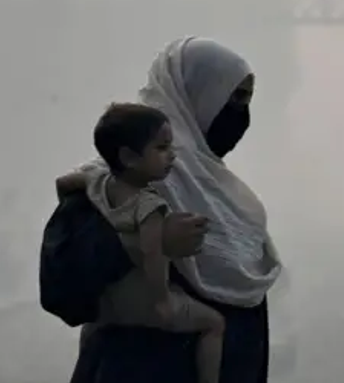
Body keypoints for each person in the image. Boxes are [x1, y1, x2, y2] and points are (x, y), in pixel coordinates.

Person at [61, 36, 282, 383]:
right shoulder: (118, 179)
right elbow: (64, 276)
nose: (241, 114)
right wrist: (150, 243)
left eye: (247, 100)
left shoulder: (220, 191)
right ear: (196, 94)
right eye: (233, 97)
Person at [85, 102, 226, 383]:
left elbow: (66, 182)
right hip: (144, 306)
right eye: (162, 148)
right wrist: (161, 301)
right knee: (214, 324)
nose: (172, 156)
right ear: (129, 157)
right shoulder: (150, 205)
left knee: (91, 331)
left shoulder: (100, 184)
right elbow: (154, 253)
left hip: (109, 303)